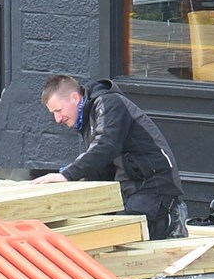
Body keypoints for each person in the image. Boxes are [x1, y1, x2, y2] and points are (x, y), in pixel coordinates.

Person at [31, 74, 188, 240]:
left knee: (126, 234)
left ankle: (173, 217)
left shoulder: (109, 103)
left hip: (153, 186)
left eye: (58, 110)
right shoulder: (87, 120)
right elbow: (100, 168)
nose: (57, 119)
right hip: (129, 188)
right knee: (101, 231)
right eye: (53, 113)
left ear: (75, 97)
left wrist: (66, 175)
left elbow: (107, 145)